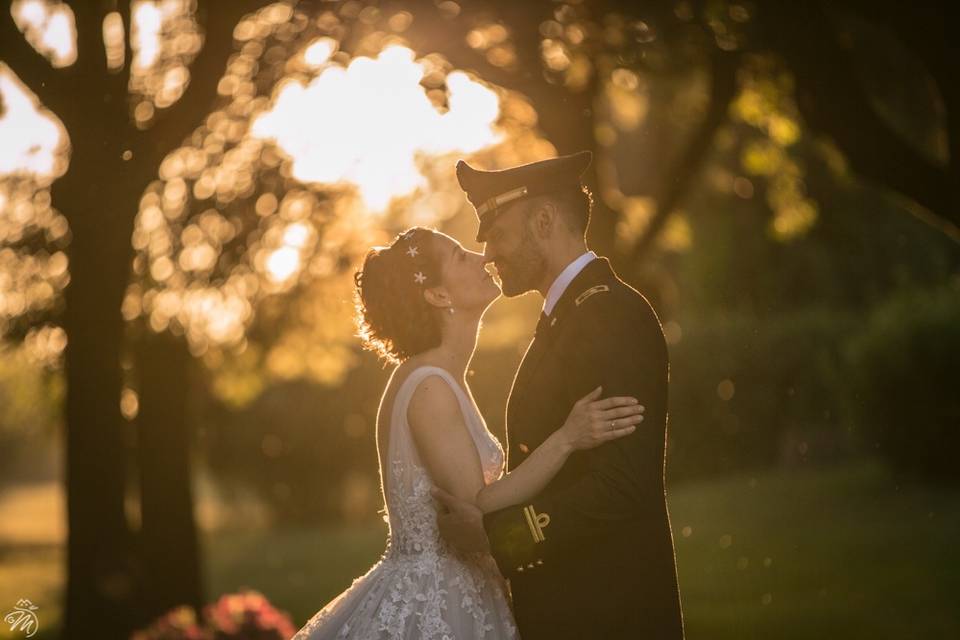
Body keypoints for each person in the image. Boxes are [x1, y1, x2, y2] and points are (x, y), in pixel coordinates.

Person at [291, 225, 645, 639]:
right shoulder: (429, 387)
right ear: (438, 296)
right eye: (461, 256)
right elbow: (475, 507)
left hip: (465, 587)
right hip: (439, 605)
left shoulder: (439, 376)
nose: (482, 258)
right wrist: (567, 438)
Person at [431, 150, 685, 639]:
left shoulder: (610, 315)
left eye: (499, 235)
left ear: (544, 221)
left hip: (611, 611)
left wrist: (498, 538)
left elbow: (624, 484)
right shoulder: (569, 314)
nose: (489, 254)